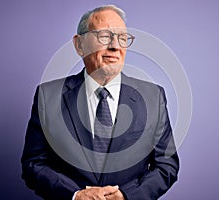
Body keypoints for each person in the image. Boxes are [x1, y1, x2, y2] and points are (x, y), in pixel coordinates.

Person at [21, 5, 179, 200]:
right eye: (104, 36)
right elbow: (33, 164)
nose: (115, 46)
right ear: (79, 45)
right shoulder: (48, 96)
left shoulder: (153, 96)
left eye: (122, 38)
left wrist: (126, 196)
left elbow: (167, 165)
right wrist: (75, 195)